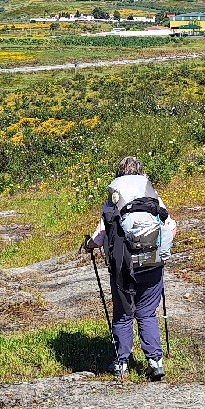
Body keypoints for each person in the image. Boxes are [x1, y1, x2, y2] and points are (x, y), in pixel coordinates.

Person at [82, 156, 176, 380]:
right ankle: (155, 362)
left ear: (119, 173)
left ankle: (120, 364)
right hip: (152, 264)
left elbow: (100, 235)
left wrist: (88, 245)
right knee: (147, 313)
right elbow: (171, 228)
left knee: (124, 315)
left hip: (123, 266)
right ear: (141, 172)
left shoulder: (115, 197)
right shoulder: (151, 195)